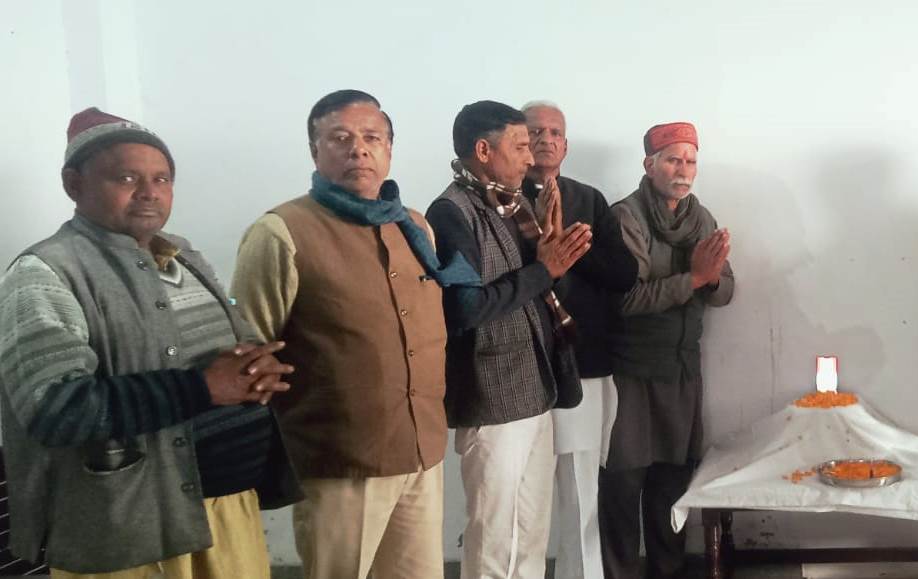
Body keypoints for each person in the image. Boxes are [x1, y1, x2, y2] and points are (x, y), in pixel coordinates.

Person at [0, 108, 300, 577]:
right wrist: (203, 388)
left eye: (162, 179)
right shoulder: (44, 273)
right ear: (74, 184)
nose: (149, 192)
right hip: (134, 530)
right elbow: (53, 408)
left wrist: (257, 368)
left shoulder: (183, 253)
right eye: (126, 178)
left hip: (226, 511)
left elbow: (234, 343)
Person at [232, 90, 453, 579]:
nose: (359, 149)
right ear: (315, 151)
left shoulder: (415, 226)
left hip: (420, 447)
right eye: (340, 138)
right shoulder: (280, 232)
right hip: (339, 461)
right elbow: (248, 352)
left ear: (389, 149)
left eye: (372, 137)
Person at [426, 100, 593, 579]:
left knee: (532, 533)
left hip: (535, 387)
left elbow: (542, 289)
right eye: (520, 146)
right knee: (494, 538)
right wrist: (544, 268)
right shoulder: (452, 212)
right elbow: (465, 308)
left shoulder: (512, 206)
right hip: (492, 394)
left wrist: (549, 252)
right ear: (483, 150)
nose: (530, 157)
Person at [601, 122, 735, 579]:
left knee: (672, 482)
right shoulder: (626, 217)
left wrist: (710, 279)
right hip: (631, 370)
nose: (683, 170)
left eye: (690, 161)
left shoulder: (702, 219)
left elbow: (725, 291)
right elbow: (627, 300)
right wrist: (694, 279)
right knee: (622, 483)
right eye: (673, 160)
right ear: (650, 164)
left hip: (681, 370)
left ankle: (668, 571)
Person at [519, 100, 638, 579]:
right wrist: (542, 249)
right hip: (520, 368)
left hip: (583, 362)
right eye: (535, 131)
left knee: (580, 490)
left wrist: (569, 245)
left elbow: (624, 274)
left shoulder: (588, 199)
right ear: (517, 141)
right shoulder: (499, 200)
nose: (545, 140)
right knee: (518, 505)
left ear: (565, 146)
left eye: (554, 133)